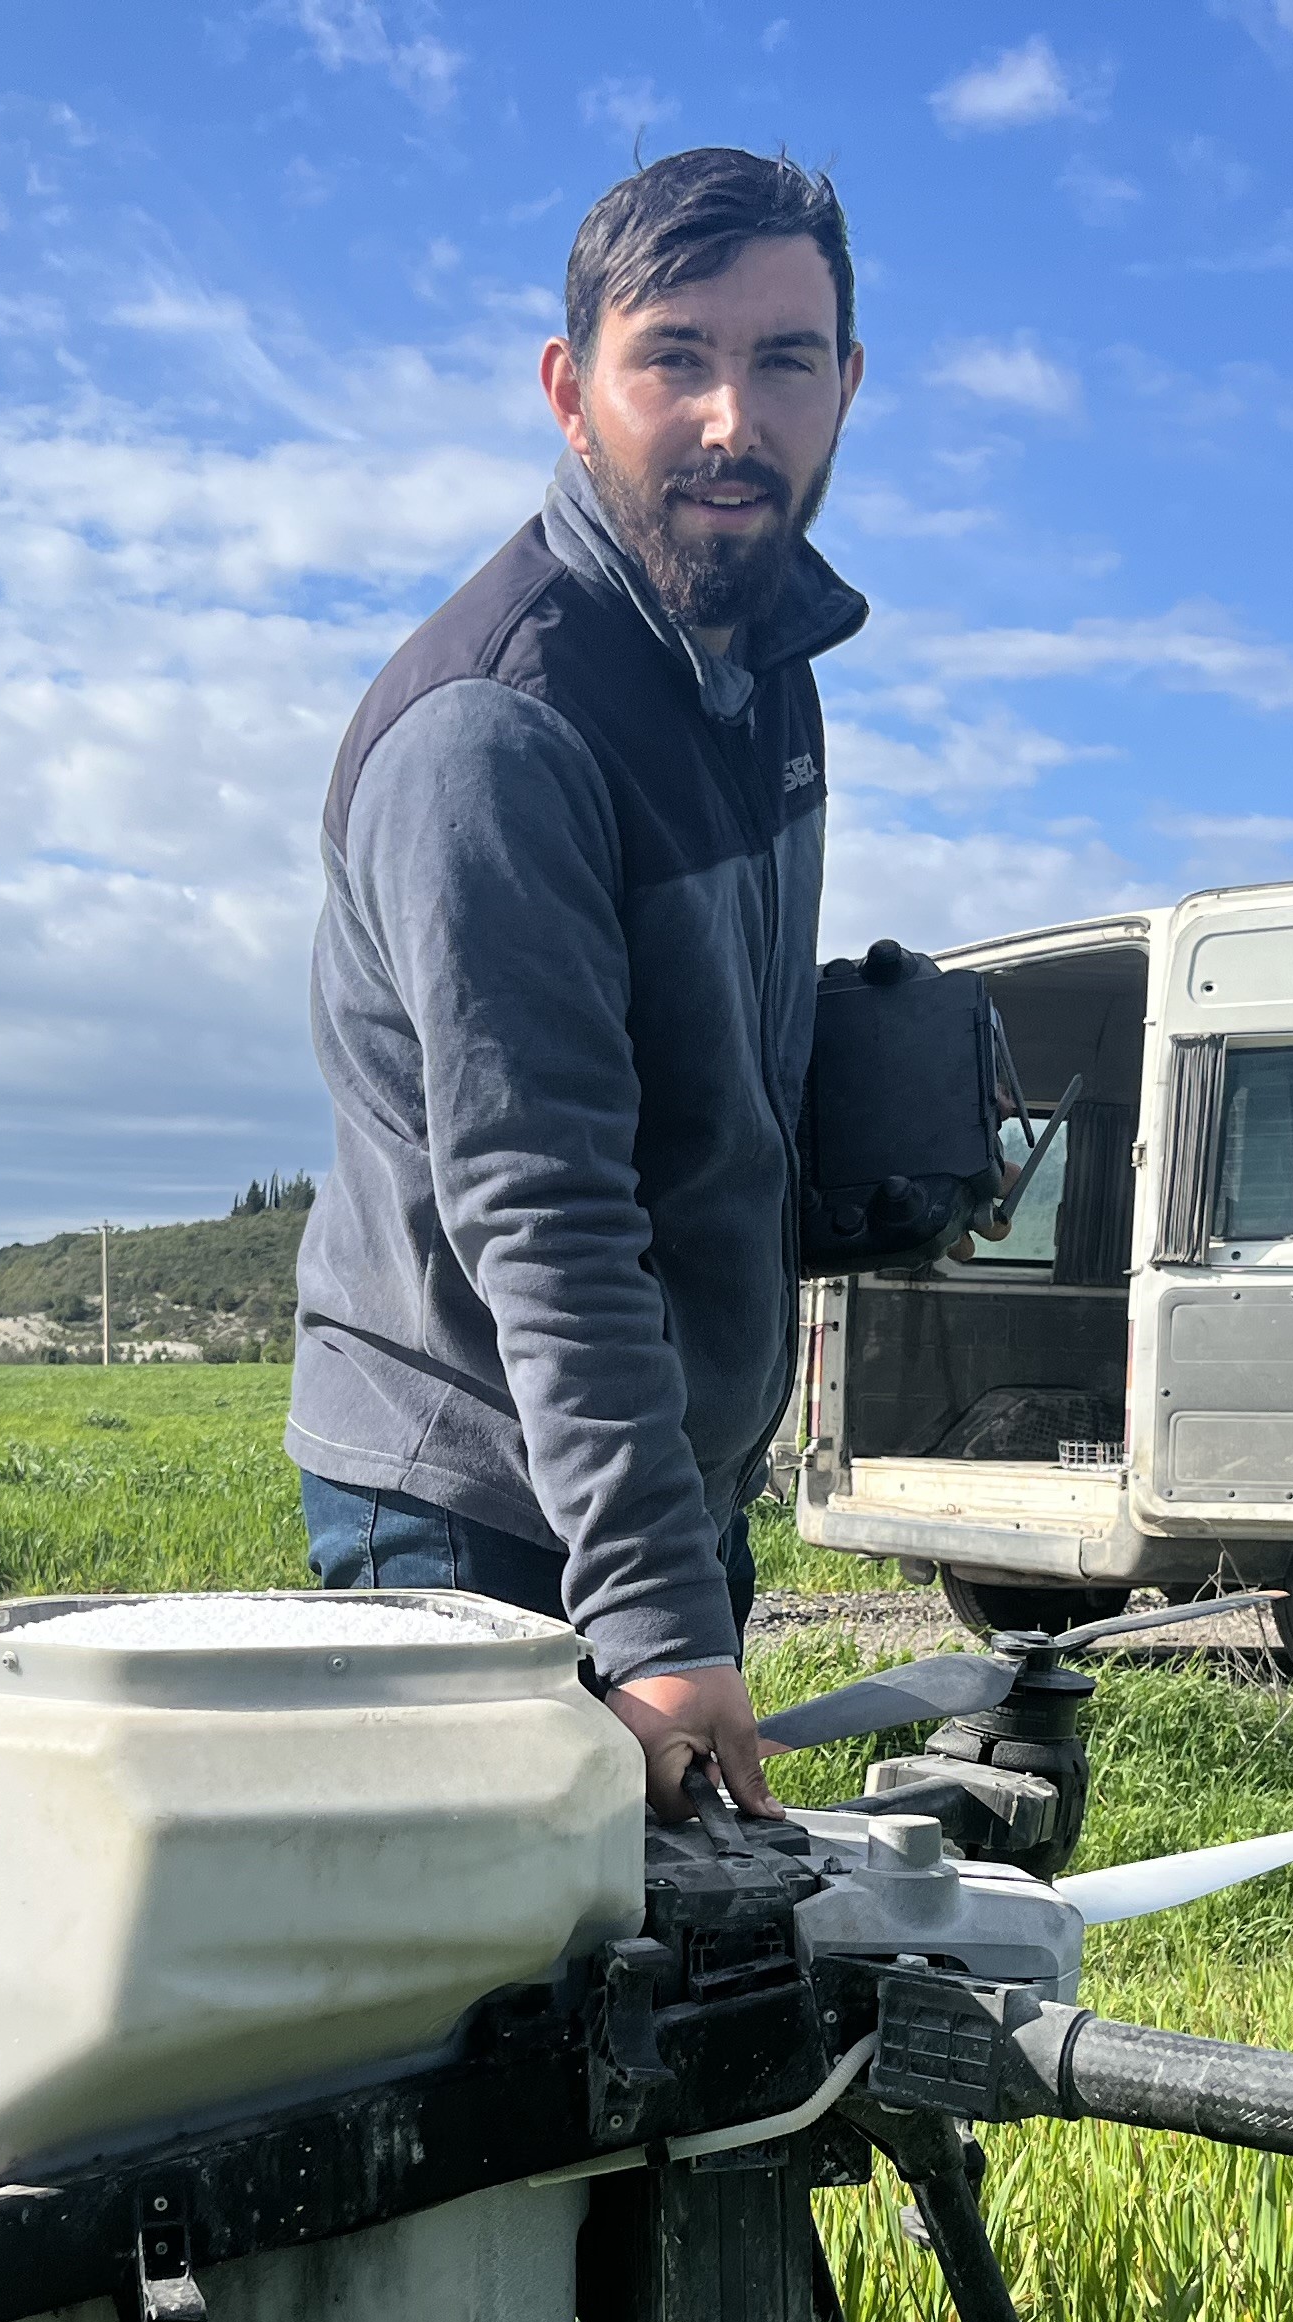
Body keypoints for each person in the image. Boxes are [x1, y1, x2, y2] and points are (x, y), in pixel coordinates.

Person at [285, 149, 866, 1818]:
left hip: (643, 1474)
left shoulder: (750, 668)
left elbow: (682, 1069)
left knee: (664, 1992)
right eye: (671, 355)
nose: (727, 418)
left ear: (846, 385)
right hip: (477, 1484)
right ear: (570, 388)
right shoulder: (500, 730)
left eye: (782, 360)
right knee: (491, 2029)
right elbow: (541, 1198)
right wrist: (662, 1620)